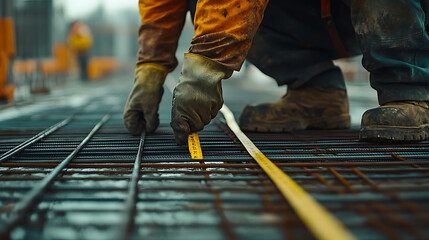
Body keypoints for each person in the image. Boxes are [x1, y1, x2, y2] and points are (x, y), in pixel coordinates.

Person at [124, 0, 429, 145]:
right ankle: (316, 92)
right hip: (321, 17)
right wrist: (151, 66)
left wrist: (208, 63)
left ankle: (409, 92)